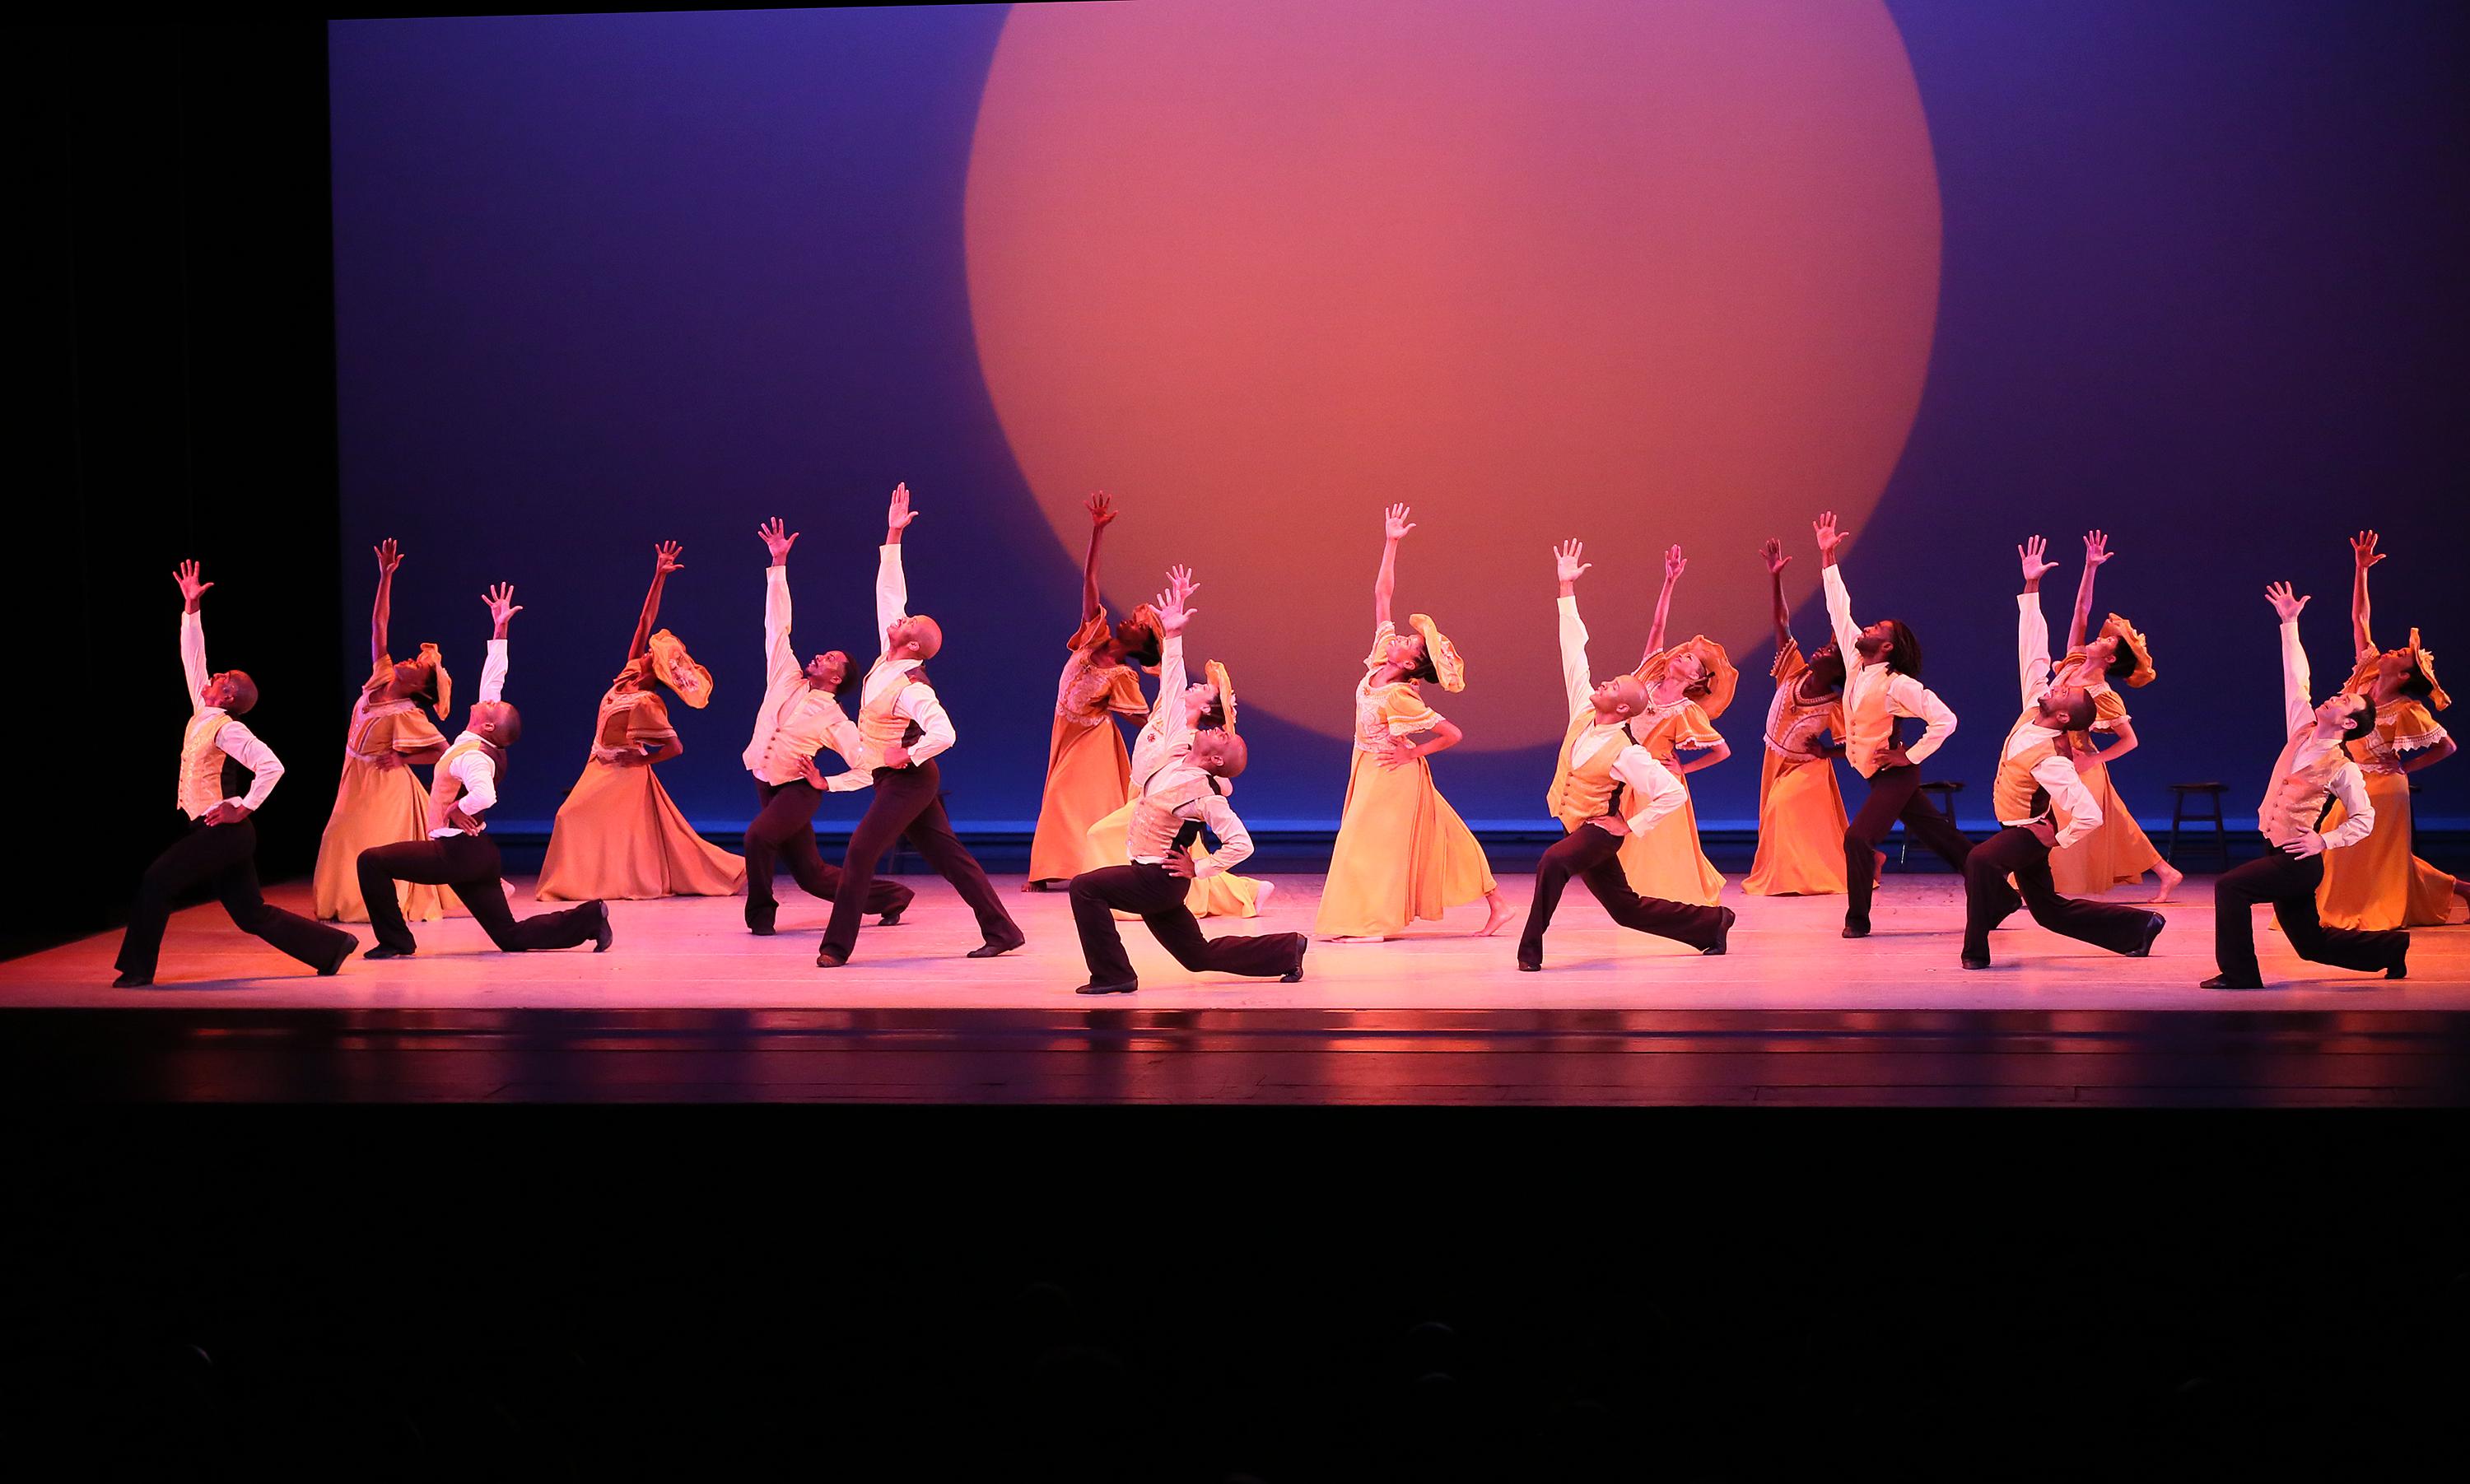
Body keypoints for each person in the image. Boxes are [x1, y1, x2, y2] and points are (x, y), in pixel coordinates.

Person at [114, 561, 359, 987]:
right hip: (217, 832)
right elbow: (193, 658)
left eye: (224, 677)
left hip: (224, 832)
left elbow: (272, 766)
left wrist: (242, 807)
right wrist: (191, 609)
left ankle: (136, 972)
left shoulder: (228, 728)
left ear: (228, 695)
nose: (215, 675)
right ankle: (332, 947)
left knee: (157, 880)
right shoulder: (205, 711)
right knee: (250, 913)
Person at [816, 484, 1026, 968]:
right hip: (899, 778)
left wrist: (905, 756)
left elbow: (946, 734)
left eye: (907, 624)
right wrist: (893, 535)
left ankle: (835, 947)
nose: (899, 620)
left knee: (860, 849)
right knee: (951, 857)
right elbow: (890, 595)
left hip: (909, 779)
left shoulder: (912, 685)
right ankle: (1004, 930)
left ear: (912, 646)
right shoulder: (887, 658)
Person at [1068, 575, 1308, 993]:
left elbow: (1241, 843)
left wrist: (1199, 868)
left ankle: (1114, 975)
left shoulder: (1200, 788)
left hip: (1159, 881)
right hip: (1154, 876)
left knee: (1085, 888)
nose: (1217, 731)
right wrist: (1174, 634)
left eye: (1221, 736)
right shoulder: (1178, 755)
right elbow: (1173, 682)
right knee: (1197, 958)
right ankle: (1287, 950)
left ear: (1216, 759)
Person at [357, 584, 613, 958]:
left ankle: (396, 939)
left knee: (371, 861)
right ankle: (590, 918)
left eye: (490, 706)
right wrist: (500, 630)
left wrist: (459, 809)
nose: (485, 700)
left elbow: (486, 795)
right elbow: (494, 678)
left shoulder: (474, 755)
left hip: (455, 854)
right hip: (477, 854)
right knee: (509, 936)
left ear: (489, 725)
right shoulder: (477, 739)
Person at [1514, 540, 1735, 971]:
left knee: (1553, 860)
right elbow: (1573, 652)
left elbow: (1673, 794)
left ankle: (1529, 950)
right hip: (1575, 820)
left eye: (1613, 687)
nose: (1603, 685)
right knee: (1625, 909)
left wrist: (1627, 824)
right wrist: (1565, 588)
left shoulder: (1626, 752)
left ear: (1620, 710)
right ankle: (1713, 924)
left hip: (1600, 827)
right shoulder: (1583, 711)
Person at [1959, 537, 2166, 969]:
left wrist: (2058, 834)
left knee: (1980, 860)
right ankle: (2138, 927)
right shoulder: (2044, 692)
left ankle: (1975, 952)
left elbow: (2093, 798)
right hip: (2024, 807)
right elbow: (2034, 644)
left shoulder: (2071, 730)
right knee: (2048, 910)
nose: (2057, 684)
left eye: (2064, 691)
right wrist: (2032, 588)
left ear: (2065, 714)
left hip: (2037, 815)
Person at [1315, 505, 1510, 940]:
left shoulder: (1401, 694)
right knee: (1442, 832)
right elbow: (1382, 595)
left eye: (1408, 642)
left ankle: (1370, 922)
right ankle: (1498, 903)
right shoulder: (1381, 659)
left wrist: (1413, 751)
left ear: (1411, 663)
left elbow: (1452, 733)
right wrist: (1392, 542)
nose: (1399, 637)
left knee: (1369, 846)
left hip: (1391, 771)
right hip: (1368, 764)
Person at [2205, 582, 2409, 988]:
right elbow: (2296, 679)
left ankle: (2240, 975)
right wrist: (2289, 623)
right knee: (2310, 944)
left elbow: (2364, 818)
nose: (2334, 699)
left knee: (2231, 887)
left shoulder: (2342, 767)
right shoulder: (2301, 730)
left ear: (2350, 724)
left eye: (2344, 703)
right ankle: (2390, 949)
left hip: (2297, 861)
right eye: (2337, 696)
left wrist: (2324, 842)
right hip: (2277, 848)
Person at [1815, 511, 2001, 937]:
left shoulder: (1900, 685)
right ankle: (2002, 896)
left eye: (1877, 627)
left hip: (1893, 773)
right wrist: (1828, 558)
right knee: (1941, 837)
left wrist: (1909, 754)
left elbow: (1945, 720)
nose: (1867, 625)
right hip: (1873, 772)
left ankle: (1857, 921)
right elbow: (1838, 609)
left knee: (1858, 839)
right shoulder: (1856, 662)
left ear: (1887, 646)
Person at [537, 541, 748, 901]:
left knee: (570, 816)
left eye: (654, 654)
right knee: (598, 824)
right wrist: (658, 577)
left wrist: (642, 760)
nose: (648, 651)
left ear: (660, 671)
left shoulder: (648, 701)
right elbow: (643, 621)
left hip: (622, 770)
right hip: (598, 765)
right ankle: (594, 882)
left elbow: (675, 747)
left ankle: (588, 883)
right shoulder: (627, 674)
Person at [737, 516, 913, 935]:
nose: (821, 656)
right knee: (812, 876)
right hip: (766, 781)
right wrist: (778, 566)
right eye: (824, 653)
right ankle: (892, 897)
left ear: (837, 679)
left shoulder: (834, 716)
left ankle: (760, 917)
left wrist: (825, 783)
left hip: (797, 791)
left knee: (758, 838)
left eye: (832, 659)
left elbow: (866, 763)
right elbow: (776, 626)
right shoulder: (785, 674)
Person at [2314, 529, 2467, 928]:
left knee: (2364, 849)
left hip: (2383, 785)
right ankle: (2462, 889)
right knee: (2365, 850)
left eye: (2400, 654)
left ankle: (2361, 908)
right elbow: (2359, 617)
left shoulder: (2406, 709)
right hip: (2354, 777)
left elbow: (2447, 747)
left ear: (2402, 675)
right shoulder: (2364, 674)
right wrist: (2360, 570)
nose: (2392, 651)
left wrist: (2406, 770)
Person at [311, 537, 462, 923]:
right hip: (356, 775)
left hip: (383, 785)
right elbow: (379, 623)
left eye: (417, 664)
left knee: (363, 841)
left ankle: (372, 905)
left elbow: (443, 751)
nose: (409, 659)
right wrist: (385, 577)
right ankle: (342, 900)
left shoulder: (407, 710)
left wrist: (403, 756)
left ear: (418, 686)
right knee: (338, 837)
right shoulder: (380, 678)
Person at [1025, 491, 1164, 889]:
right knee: (1059, 794)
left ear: (1143, 644)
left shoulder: (1122, 675)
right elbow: (1090, 580)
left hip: (1092, 739)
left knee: (1067, 798)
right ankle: (1063, 869)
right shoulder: (1093, 634)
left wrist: (1172, 732)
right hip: (1065, 731)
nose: (1128, 621)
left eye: (1138, 624)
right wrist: (1096, 533)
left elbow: (1139, 718)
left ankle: (1063, 872)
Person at [2044, 530, 2183, 902]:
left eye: (2107, 641)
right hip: (2052, 753)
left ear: (2109, 659)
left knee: (2071, 821)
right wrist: (2090, 568)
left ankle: (2045, 886)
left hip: (2077, 761)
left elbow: (2130, 740)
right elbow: (2081, 611)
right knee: (2116, 821)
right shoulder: (2074, 660)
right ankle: (2166, 871)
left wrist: (2094, 759)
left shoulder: (2104, 696)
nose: (2100, 637)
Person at [1742, 537, 1863, 896]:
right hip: (1774, 759)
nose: (1819, 650)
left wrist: (1826, 753)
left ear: (1838, 668)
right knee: (1774, 818)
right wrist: (1775, 578)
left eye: (1827, 651)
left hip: (1806, 766)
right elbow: (1782, 621)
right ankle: (1855, 862)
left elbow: (1854, 749)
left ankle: (1794, 878)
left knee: (1782, 807)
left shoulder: (1834, 705)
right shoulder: (1792, 671)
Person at [1617, 544, 1733, 905]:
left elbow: (1722, 750)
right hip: (1627, 771)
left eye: (1688, 659)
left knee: (1657, 844)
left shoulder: (1686, 711)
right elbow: (1658, 626)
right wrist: (1669, 583)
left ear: (1696, 678)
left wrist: (1684, 767)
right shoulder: (1648, 678)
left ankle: (1657, 898)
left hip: (1657, 779)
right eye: (1681, 653)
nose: (1679, 655)